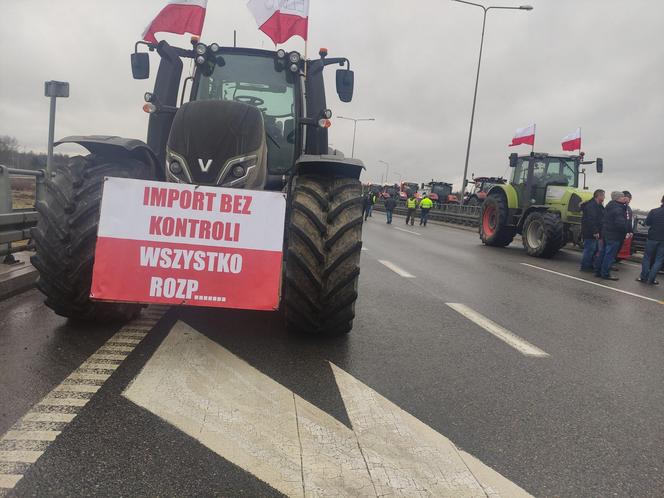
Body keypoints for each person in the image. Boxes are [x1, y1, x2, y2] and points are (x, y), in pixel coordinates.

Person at [596, 191, 629, 280]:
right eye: (622, 197)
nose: (624, 198)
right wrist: (626, 230)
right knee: (609, 255)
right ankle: (605, 273)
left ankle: (598, 271)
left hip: (606, 233)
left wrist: (625, 204)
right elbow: (620, 223)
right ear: (618, 198)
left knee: (602, 253)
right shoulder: (618, 209)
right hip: (614, 235)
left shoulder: (610, 206)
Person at [637, 195, 664, 285]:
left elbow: (647, 223)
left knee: (647, 258)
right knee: (659, 260)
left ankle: (643, 277)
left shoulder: (654, 211)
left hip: (652, 237)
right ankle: (651, 279)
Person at [580, 189, 605, 272]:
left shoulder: (599, 205)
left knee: (595, 249)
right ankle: (585, 267)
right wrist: (595, 231)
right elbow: (591, 220)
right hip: (590, 231)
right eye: (603, 195)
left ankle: (590, 265)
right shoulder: (591, 206)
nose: (604, 197)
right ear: (599, 196)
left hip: (596, 231)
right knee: (589, 249)